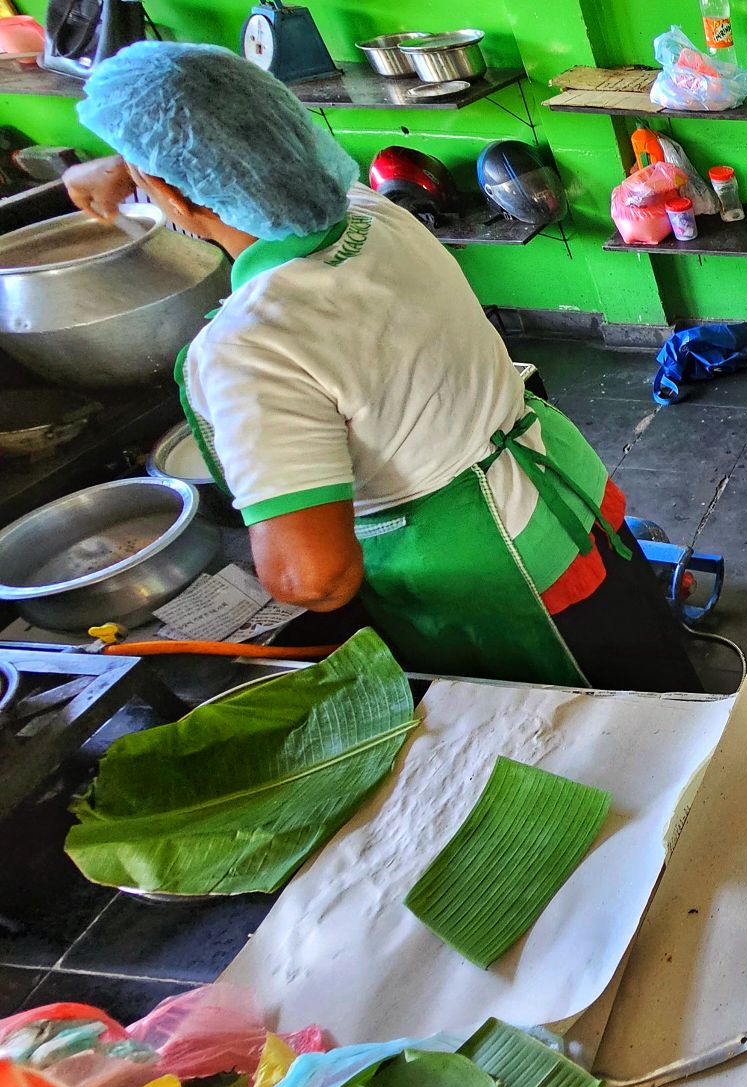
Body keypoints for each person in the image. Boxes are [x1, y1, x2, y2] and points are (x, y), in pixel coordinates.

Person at [64, 43, 702, 693]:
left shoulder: (249, 344)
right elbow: (236, 147)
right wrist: (131, 167)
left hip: (497, 573)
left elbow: (318, 576)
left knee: (593, 724)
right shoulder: (367, 210)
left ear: (172, 190)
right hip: (566, 493)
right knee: (655, 678)